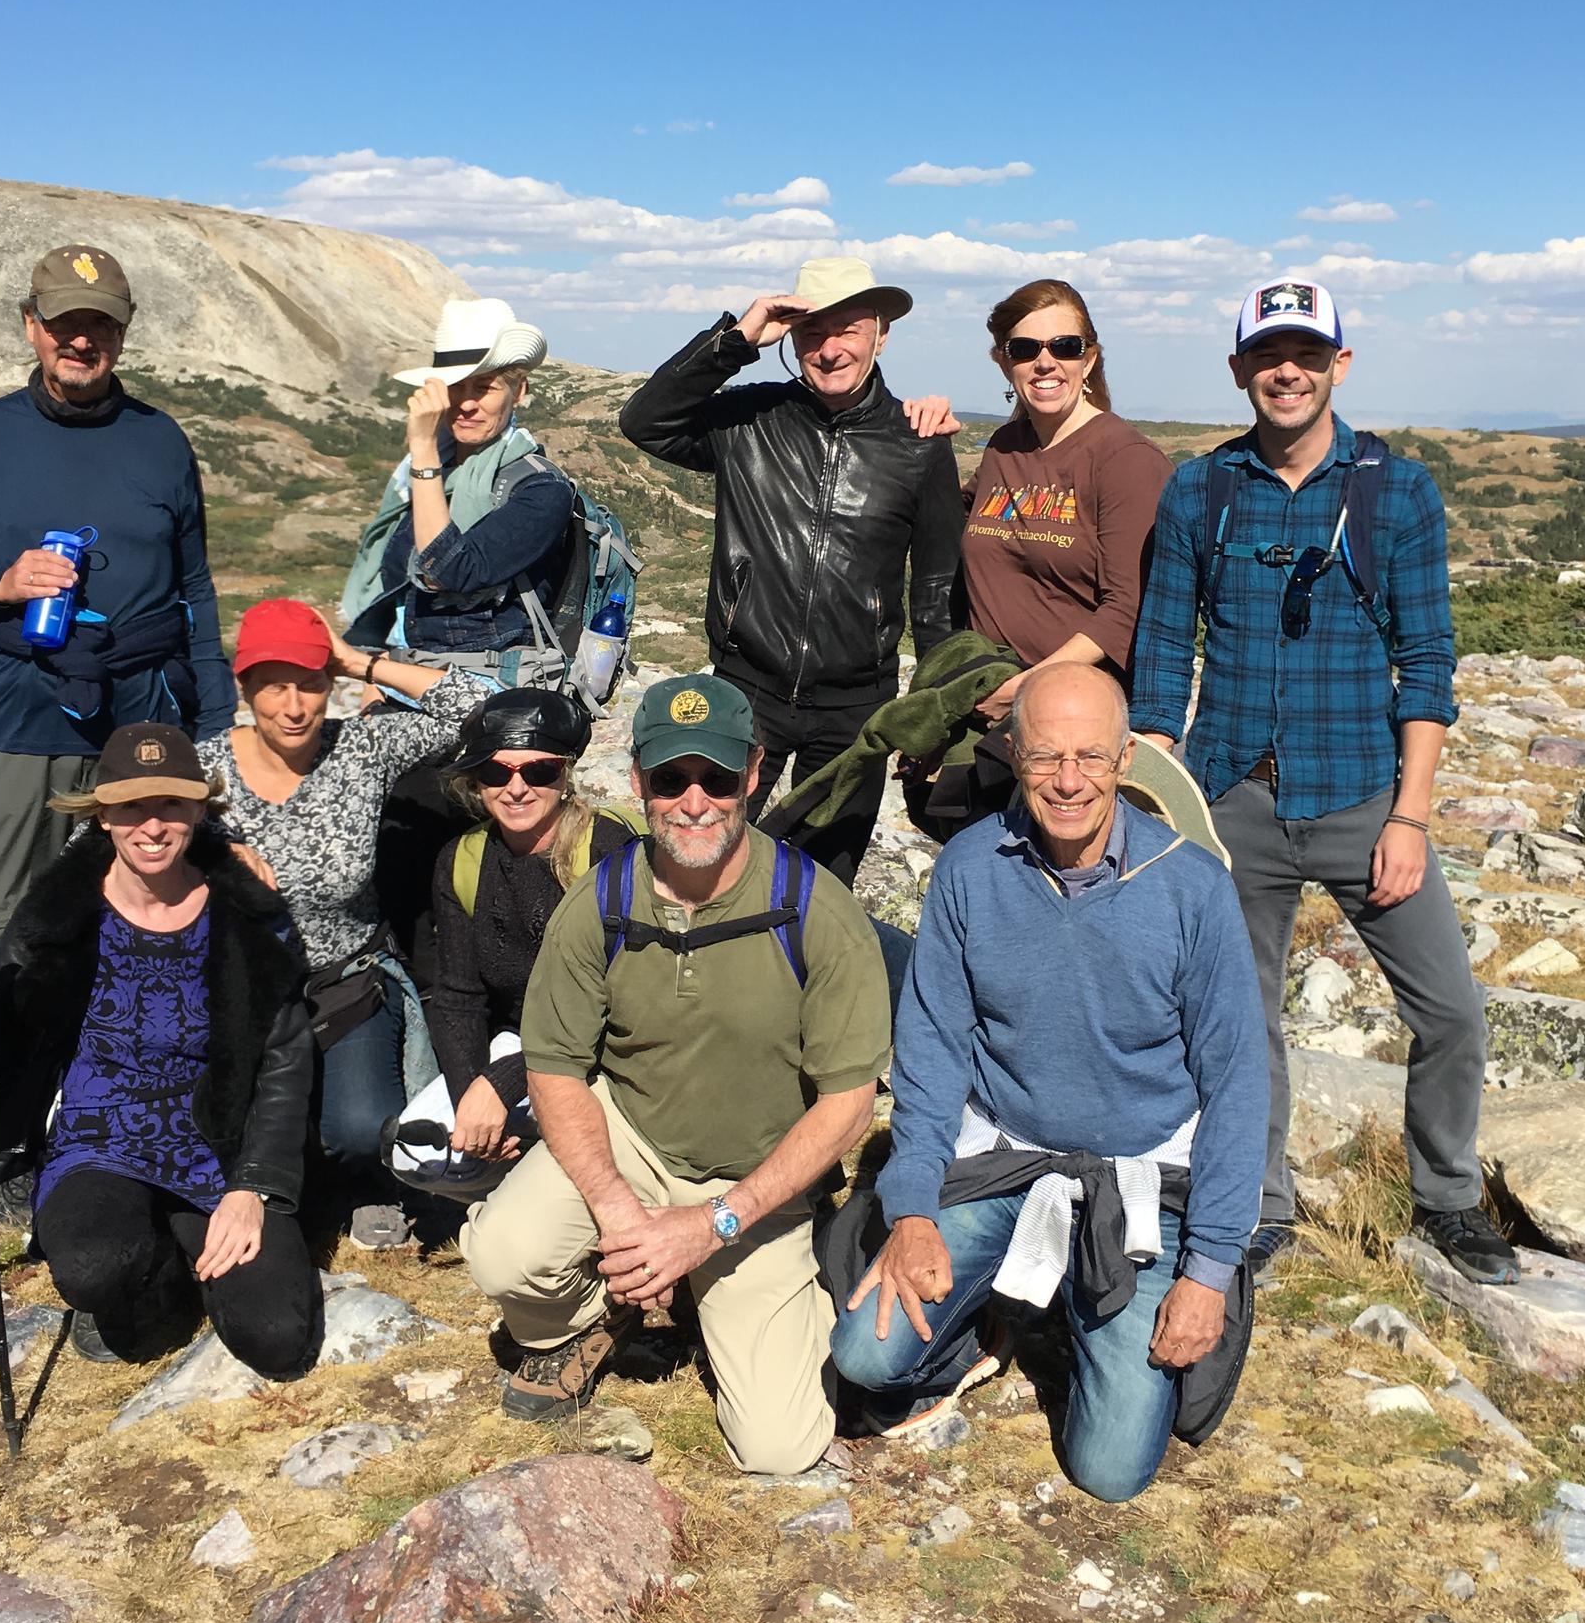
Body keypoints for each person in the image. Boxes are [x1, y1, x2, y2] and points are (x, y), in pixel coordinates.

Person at [1130, 278, 1516, 1286]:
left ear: (1338, 364)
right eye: (1266, 355)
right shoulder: (1198, 489)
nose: (1285, 370)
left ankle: (1444, 1197)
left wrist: (1410, 817)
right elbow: (1165, 647)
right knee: (1236, 1018)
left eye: (1304, 352)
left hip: (1357, 795)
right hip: (1227, 798)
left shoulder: (1397, 488)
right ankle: (1256, 1207)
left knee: (1448, 1012)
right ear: (1237, 370)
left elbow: (1425, 659)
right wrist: (1154, 776)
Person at [829, 665, 1268, 1503]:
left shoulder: (1193, 889)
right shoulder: (969, 870)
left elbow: (1239, 1083)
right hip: (1007, 1156)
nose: (1069, 781)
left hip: (1140, 1179)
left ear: (1127, 759)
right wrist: (914, 1207)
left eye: (1091, 757)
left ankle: (1079, 1303)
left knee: (1110, 1472)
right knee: (864, 1355)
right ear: (1014, 753)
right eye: (1045, 758)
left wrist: (1208, 1272)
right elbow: (929, 1054)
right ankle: (990, 1323)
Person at [459, 675, 892, 1473]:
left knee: (778, 1449)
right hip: (632, 1135)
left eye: (718, 779)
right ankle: (597, 1312)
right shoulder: (599, 904)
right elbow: (555, 1069)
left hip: (756, 1176)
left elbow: (847, 1102)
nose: (695, 802)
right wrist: (618, 1211)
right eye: (670, 780)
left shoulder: (818, 913)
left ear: (754, 775)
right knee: (503, 1254)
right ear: (639, 784)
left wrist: (712, 1225)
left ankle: (735, 1274)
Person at [0, 723, 320, 1373]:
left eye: (171, 803)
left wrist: (253, 1188)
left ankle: (182, 1238)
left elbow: (285, 1061)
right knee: (90, 1269)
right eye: (132, 805)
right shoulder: (58, 914)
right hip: (97, 1140)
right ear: (103, 814)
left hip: (217, 1148)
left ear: (200, 807)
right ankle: (149, 1259)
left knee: (277, 1336)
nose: (153, 824)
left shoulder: (248, 913)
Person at [0, 246, 236, 962]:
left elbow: (193, 592)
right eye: (63, 324)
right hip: (8, 726)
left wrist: (214, 727)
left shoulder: (162, 440)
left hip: (142, 729)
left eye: (102, 325)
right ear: (31, 326)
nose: (82, 340)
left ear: (124, 331)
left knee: (147, 938)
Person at [617, 256, 965, 884]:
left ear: (881, 336)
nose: (829, 349)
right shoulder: (748, 419)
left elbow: (937, 591)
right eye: (812, 332)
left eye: (848, 331)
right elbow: (644, 422)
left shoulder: (920, 443)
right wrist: (738, 338)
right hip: (746, 687)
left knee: (823, 879)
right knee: (707, 863)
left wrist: (932, 716)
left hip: (857, 703)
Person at [194, 597, 488, 1232]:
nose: (295, 706)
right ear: (244, 688)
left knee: (361, 1129)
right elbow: (117, 843)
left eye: (311, 684)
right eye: (275, 688)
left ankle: (336, 1165)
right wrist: (212, 856)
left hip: (345, 983)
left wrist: (359, 660)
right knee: (222, 1120)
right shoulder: (204, 769)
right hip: (240, 988)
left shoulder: (363, 747)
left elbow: (477, 709)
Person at [420, 689, 638, 1183]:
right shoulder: (462, 860)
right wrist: (471, 1096)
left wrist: (502, 1083)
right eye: (496, 772)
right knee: (416, 1158)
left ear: (565, 775)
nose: (516, 789)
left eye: (538, 771)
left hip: (608, 1052)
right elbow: (458, 996)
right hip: (519, 1041)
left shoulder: (610, 853)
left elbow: (624, 1006)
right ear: (476, 782)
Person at [961, 280, 1172, 724]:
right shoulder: (1003, 447)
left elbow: (1126, 611)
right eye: (1023, 349)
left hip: (1072, 715)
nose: (1044, 363)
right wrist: (920, 433)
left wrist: (1024, 690)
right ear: (1004, 363)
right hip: (986, 705)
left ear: (1089, 359)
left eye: (1064, 347)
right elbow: (946, 517)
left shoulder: (1126, 460)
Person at [340, 297, 574, 683]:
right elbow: (399, 588)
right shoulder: (427, 475)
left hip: (492, 689)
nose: (465, 403)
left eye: (484, 388)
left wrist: (424, 451)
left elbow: (447, 571)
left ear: (518, 392)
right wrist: (379, 681)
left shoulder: (541, 489)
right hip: (406, 679)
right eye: (453, 387)